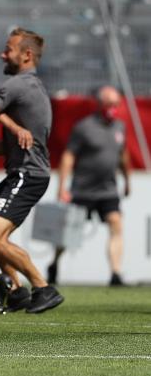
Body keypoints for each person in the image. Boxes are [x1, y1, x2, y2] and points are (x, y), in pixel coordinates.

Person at [0, 28, 64, 313]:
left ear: (26, 55)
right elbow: (12, 146)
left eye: (9, 49)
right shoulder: (31, 87)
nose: (3, 54)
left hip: (28, 175)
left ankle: (42, 287)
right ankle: (16, 291)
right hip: (23, 172)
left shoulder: (19, 86)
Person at [54, 85, 131, 286]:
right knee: (68, 233)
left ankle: (115, 273)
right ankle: (54, 264)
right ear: (99, 104)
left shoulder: (119, 127)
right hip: (82, 190)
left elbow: (122, 155)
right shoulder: (84, 127)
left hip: (108, 190)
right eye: (109, 104)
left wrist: (127, 180)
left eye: (116, 104)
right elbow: (69, 157)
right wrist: (62, 187)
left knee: (116, 223)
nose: (112, 107)